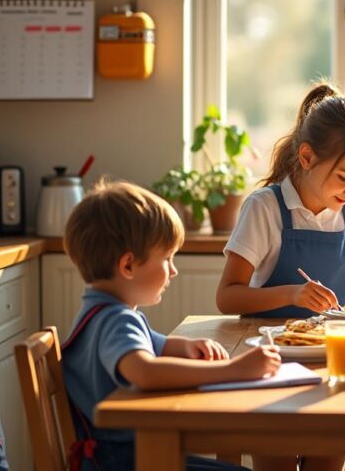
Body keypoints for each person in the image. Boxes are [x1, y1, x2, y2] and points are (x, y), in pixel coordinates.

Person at [216, 80, 345, 471]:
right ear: (306, 157)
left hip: (335, 365)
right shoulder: (266, 208)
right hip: (272, 365)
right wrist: (292, 294)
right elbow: (228, 296)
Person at [62, 180, 282, 471]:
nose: (174, 270)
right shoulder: (115, 319)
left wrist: (189, 346)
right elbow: (145, 372)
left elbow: (158, 345)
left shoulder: (105, 311)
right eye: (167, 258)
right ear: (128, 266)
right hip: (125, 462)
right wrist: (235, 370)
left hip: (127, 456)